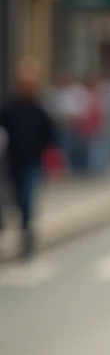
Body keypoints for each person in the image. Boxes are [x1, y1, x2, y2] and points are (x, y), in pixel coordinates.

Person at [0, 58, 56, 259]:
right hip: (10, 163)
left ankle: (26, 240)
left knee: (26, 200)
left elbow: (49, 135)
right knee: (9, 200)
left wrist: (51, 159)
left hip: (32, 162)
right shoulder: (8, 107)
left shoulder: (40, 109)